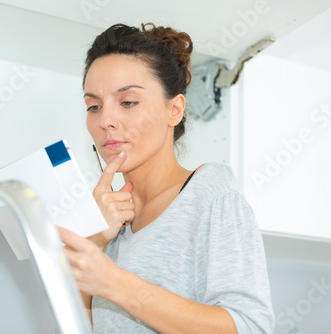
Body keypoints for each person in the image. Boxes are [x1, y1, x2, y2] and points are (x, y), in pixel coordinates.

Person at [57, 23, 275, 333]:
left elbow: (250, 326)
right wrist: (90, 245)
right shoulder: (107, 223)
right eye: (94, 106)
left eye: (128, 102)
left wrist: (112, 281)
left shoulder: (209, 192)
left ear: (174, 110)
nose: (105, 120)